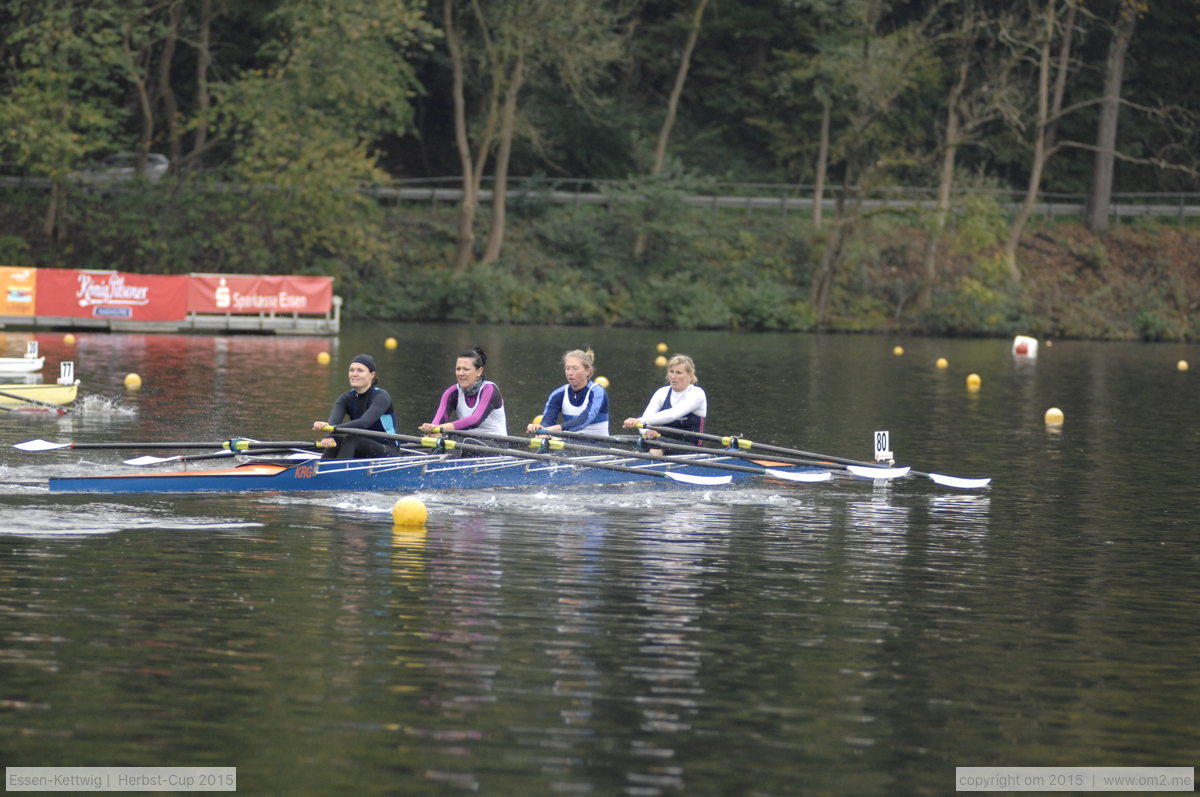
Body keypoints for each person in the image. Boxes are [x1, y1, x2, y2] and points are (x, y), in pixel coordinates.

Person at [312, 353, 402, 459]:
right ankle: (322, 471)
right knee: (335, 440)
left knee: (351, 439)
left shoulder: (381, 397)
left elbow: (364, 423)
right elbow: (332, 424)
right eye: (351, 370)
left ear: (372, 375)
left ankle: (340, 472)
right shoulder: (345, 398)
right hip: (361, 447)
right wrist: (328, 435)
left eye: (360, 370)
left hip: (388, 450)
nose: (354, 374)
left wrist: (331, 429)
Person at [419, 346, 508, 438]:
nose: (460, 373)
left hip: (496, 444)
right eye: (458, 369)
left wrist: (440, 428)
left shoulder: (489, 390)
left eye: (466, 369)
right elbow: (438, 422)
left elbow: (475, 420)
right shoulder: (452, 393)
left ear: (479, 371)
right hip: (467, 443)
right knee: (440, 441)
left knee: (455, 440)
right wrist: (432, 430)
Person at [623, 354, 707, 446]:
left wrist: (639, 421)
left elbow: (673, 415)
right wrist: (646, 431)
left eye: (679, 373)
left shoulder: (697, 393)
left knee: (657, 444)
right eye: (671, 372)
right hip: (663, 443)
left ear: (690, 376)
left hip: (690, 446)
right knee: (644, 443)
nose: (673, 377)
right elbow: (646, 417)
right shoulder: (662, 392)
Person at [527, 348, 609, 438]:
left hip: (598, 448)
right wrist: (540, 429)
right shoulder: (558, 394)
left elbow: (583, 420)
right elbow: (548, 421)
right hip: (571, 447)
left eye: (575, 368)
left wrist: (550, 430)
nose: (570, 373)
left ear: (587, 371)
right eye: (567, 368)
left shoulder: (597, 392)